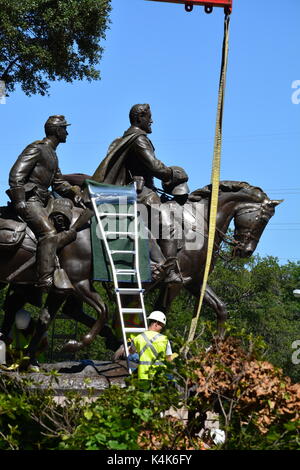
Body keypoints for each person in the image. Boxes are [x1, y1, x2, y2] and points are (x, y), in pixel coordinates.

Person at [93, 104, 189, 283]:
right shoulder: (138, 139)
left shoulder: (131, 137)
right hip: (138, 192)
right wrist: (175, 174)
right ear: (140, 118)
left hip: (140, 189)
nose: (152, 121)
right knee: (166, 222)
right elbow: (154, 166)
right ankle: (166, 269)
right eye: (149, 117)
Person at [7, 115, 83, 291]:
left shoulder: (53, 154)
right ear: (57, 131)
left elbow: (58, 183)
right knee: (48, 233)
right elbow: (15, 175)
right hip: (30, 200)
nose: (67, 132)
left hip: (45, 200)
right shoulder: (37, 148)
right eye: (65, 128)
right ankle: (45, 279)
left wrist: (75, 192)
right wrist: (19, 201)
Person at [131, 310, 172, 381]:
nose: (162, 328)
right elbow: (169, 359)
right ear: (156, 324)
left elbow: (131, 351)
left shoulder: (138, 338)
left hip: (143, 376)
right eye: (162, 325)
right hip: (159, 377)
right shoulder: (165, 339)